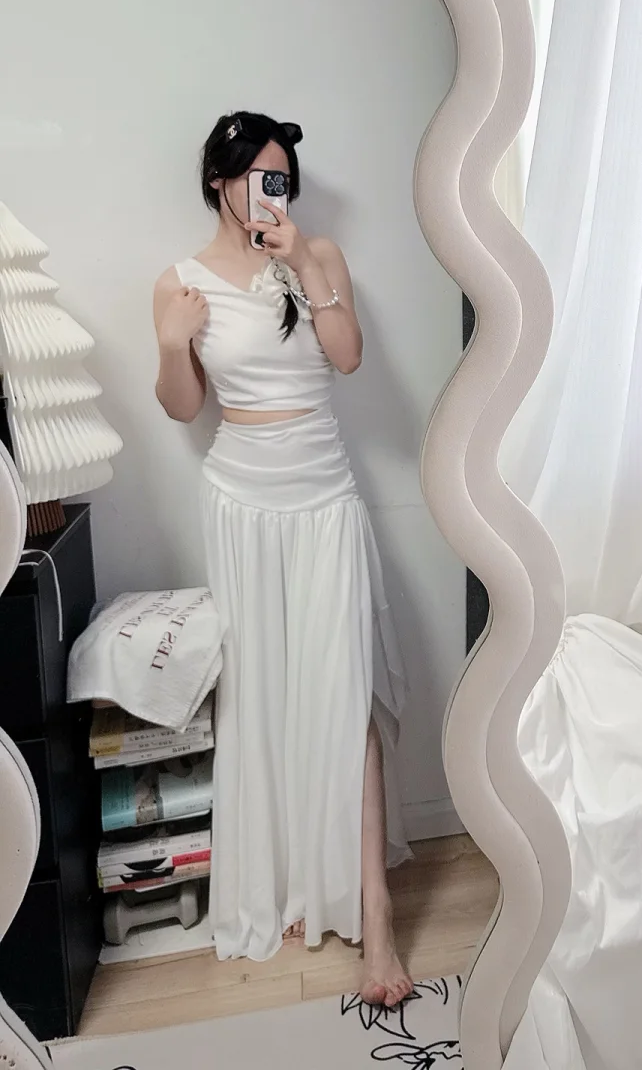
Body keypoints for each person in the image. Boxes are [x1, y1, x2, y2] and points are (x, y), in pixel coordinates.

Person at [153, 111, 413, 1007]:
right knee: (263, 690)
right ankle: (299, 881)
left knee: (344, 691)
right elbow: (183, 408)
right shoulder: (179, 284)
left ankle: (375, 913)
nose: (273, 192)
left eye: (283, 178)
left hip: (323, 495)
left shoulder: (319, 254)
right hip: (241, 503)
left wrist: (302, 263)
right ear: (218, 182)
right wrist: (171, 342)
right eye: (258, 177)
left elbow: (348, 358)